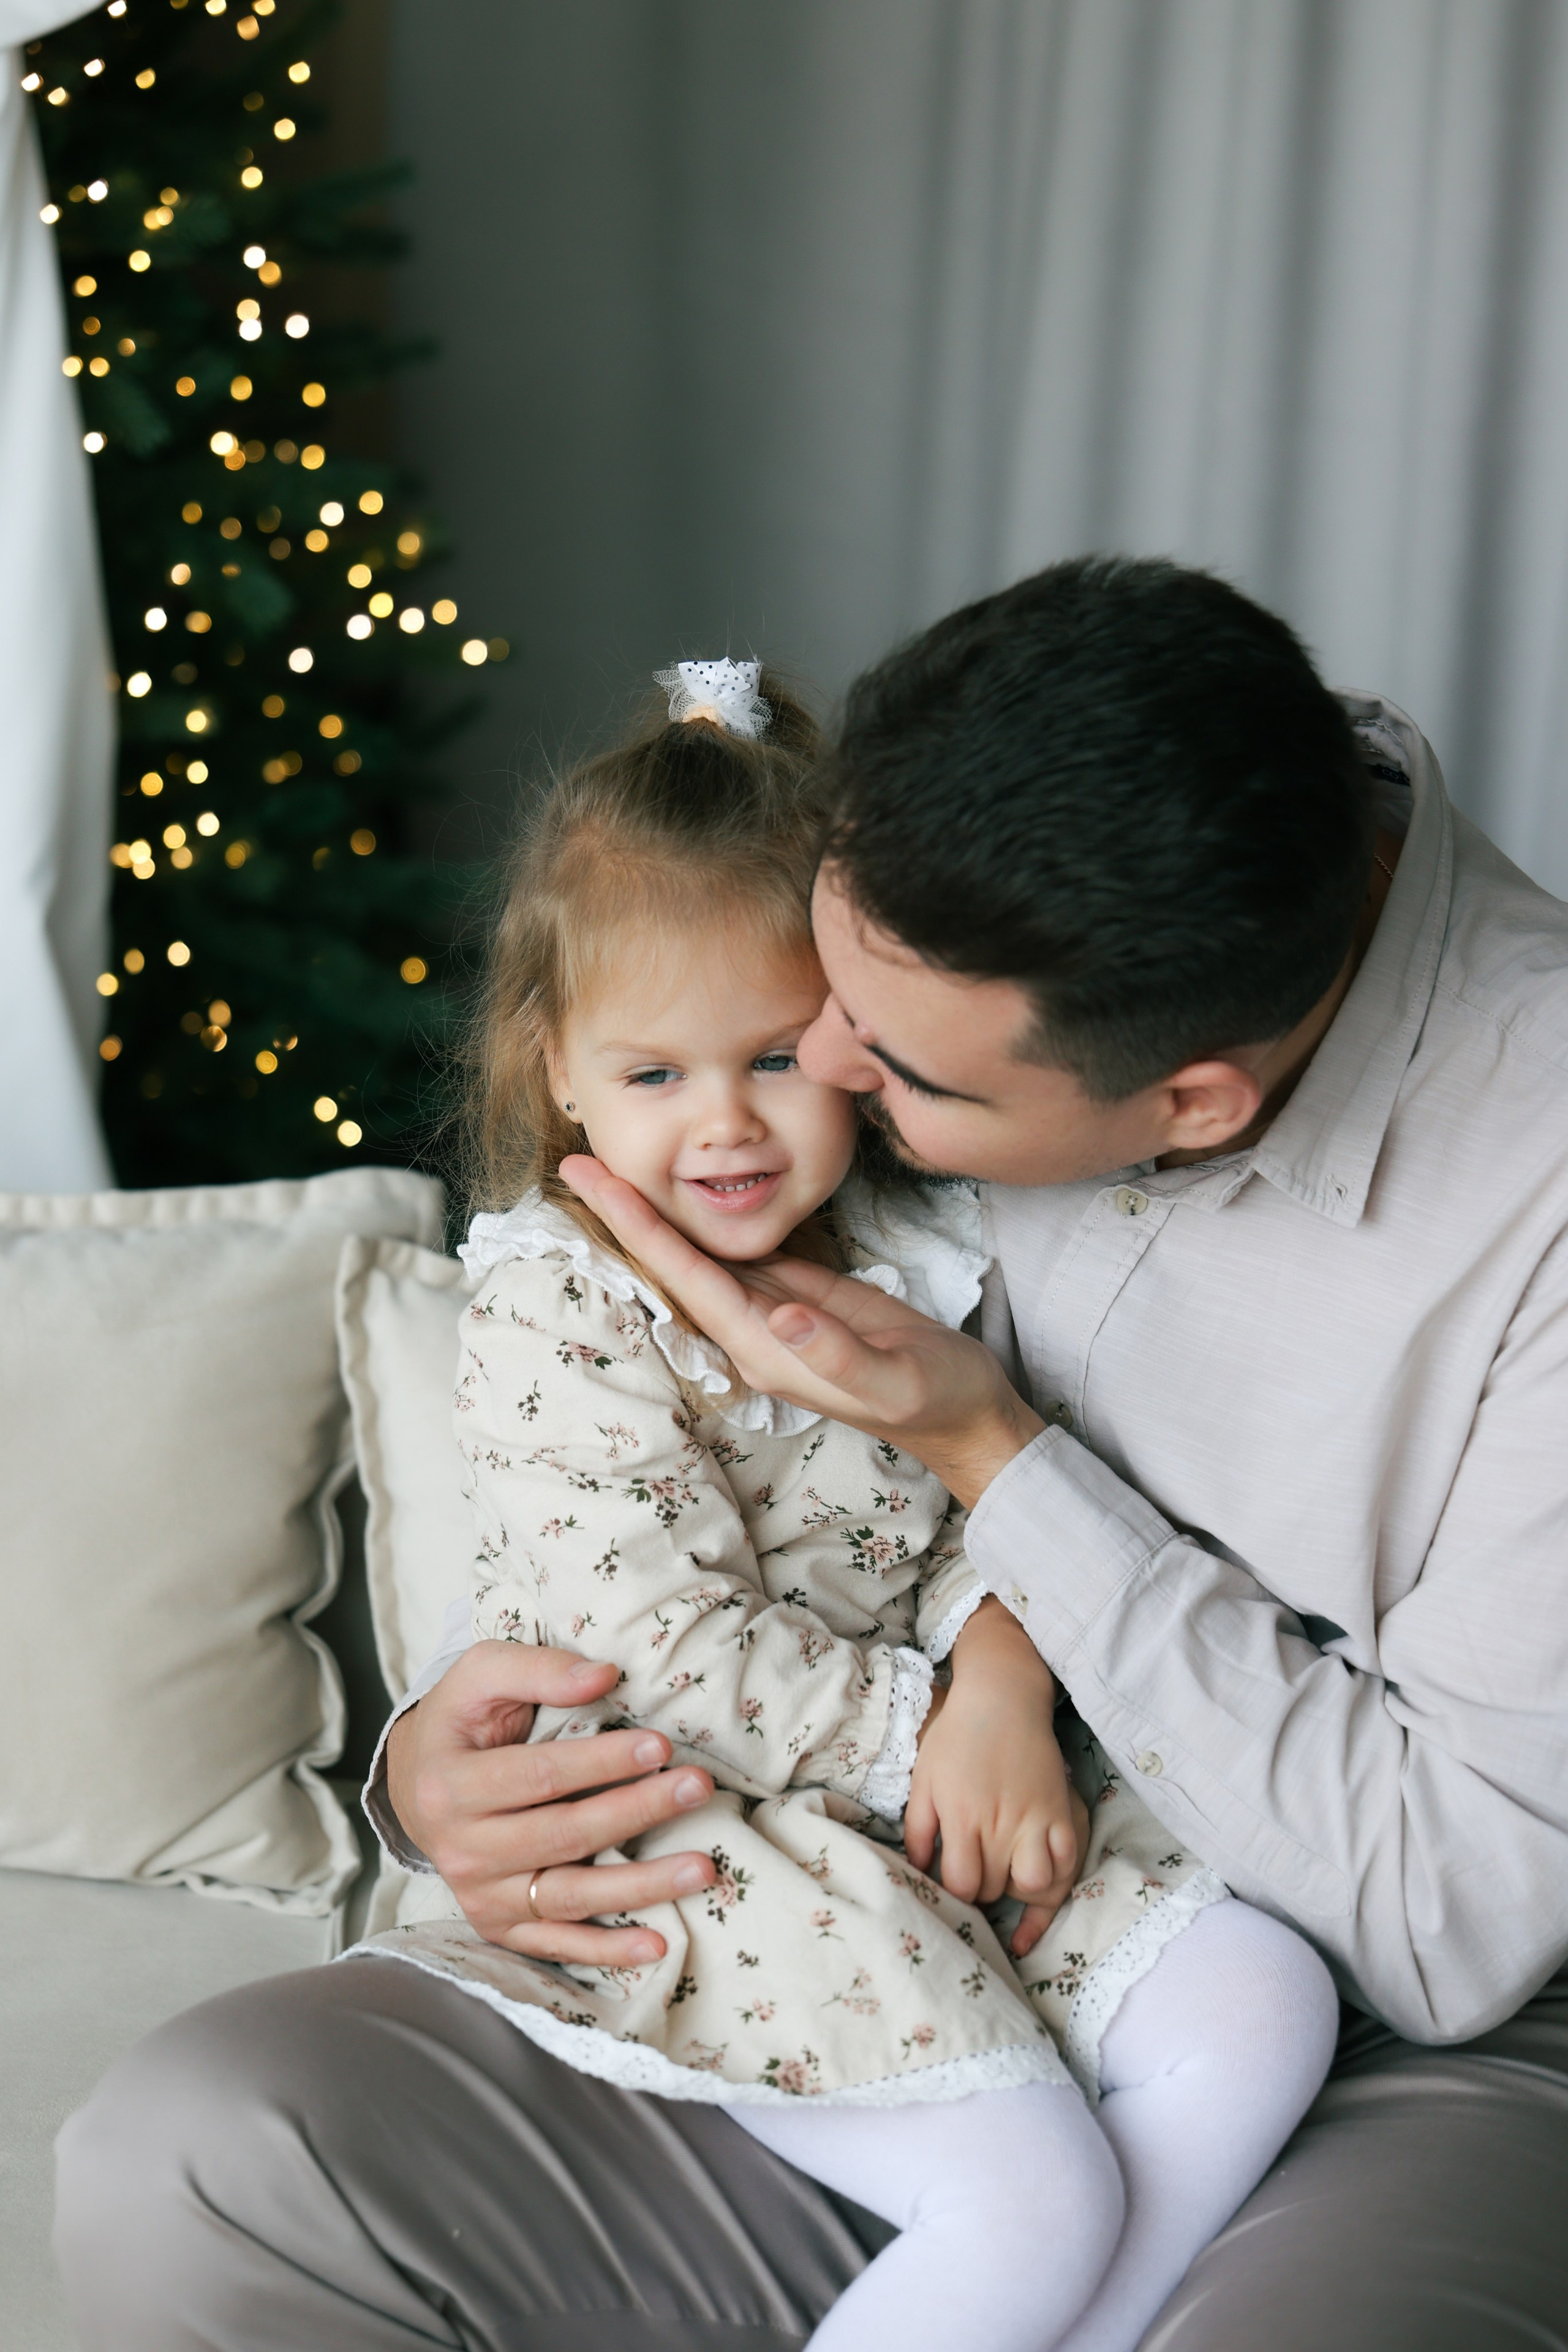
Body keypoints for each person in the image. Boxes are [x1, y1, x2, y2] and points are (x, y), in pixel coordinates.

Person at [54, 561, 1568, 2348]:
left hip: (1330, 1966)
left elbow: (1446, 1929)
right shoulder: (1027, 849)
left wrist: (990, 1467)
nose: (815, 1073)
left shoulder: (1526, 1199)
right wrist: (449, 1757)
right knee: (194, 2152)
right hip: (822, 1846)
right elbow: (644, 1529)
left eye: (872, 1064)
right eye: (821, 983)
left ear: (1193, 1108)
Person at [344, 657, 1333, 2352]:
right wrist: (929, 1726)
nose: (725, 1124)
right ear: (558, 1069)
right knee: (1031, 2193)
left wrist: (1007, 1687)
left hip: (940, 1778)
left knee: (1264, 2005)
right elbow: (644, 1638)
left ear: (862, 1051)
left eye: (777, 1059)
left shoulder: (925, 1253)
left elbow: (1007, 1508)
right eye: (653, 1075)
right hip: (701, 1815)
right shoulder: (552, 1306)